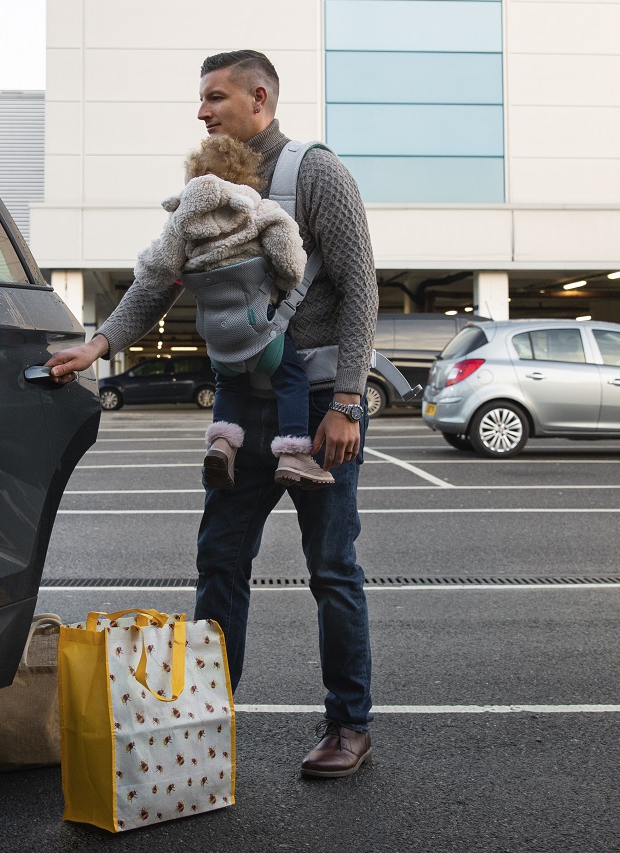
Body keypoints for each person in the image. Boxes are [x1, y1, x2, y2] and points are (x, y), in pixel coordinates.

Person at [45, 49, 379, 778]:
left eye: (215, 97)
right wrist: (98, 344)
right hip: (242, 409)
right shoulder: (207, 181)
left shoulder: (315, 173)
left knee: (331, 568)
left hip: (319, 406)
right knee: (220, 561)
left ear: (259, 97)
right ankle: (205, 713)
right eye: (201, 99)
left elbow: (361, 289)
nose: (201, 111)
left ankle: (349, 721)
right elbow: (156, 281)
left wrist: (349, 402)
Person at [134, 134, 332, 490]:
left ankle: (222, 445)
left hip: (218, 338)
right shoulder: (258, 210)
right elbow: (290, 263)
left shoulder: (180, 222)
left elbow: (155, 271)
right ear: (245, 178)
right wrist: (285, 281)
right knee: (291, 381)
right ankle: (293, 452)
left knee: (229, 385)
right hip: (260, 332)